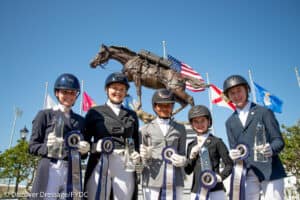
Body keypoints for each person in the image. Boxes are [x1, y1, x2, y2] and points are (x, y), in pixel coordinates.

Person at [223, 75, 286, 200]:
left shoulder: (264, 112)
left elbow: (278, 140)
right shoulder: (229, 122)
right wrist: (233, 154)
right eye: (232, 93)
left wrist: (271, 148)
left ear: (247, 90)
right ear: (228, 96)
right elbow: (234, 147)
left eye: (239, 91)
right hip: (247, 174)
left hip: (271, 171)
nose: (236, 95)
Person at [29, 73, 90, 199]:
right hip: (51, 166)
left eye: (72, 93)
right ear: (57, 93)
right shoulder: (44, 115)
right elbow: (32, 146)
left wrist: (84, 151)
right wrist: (47, 148)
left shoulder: (81, 121)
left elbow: (82, 153)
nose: (69, 96)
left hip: (73, 170)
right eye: (65, 92)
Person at [83, 72, 140, 200]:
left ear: (126, 92)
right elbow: (83, 145)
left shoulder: (132, 115)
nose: (118, 92)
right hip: (100, 161)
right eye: (114, 88)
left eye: (122, 89)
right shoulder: (94, 112)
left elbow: (136, 143)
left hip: (125, 163)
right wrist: (94, 147)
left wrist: (138, 159)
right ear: (106, 90)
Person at [139, 88, 187, 200]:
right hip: (152, 179)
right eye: (161, 105)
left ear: (172, 106)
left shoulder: (180, 129)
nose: (165, 108)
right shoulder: (145, 129)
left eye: (168, 105)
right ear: (155, 107)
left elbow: (183, 153)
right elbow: (142, 158)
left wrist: (183, 160)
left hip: (175, 178)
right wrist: (144, 156)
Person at [184, 105, 233, 200]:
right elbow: (188, 171)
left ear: (209, 121)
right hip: (197, 190)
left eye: (202, 121)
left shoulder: (217, 142)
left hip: (216, 189)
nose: (199, 124)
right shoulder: (191, 145)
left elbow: (229, 164)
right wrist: (191, 158)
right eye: (196, 122)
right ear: (192, 124)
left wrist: (220, 177)